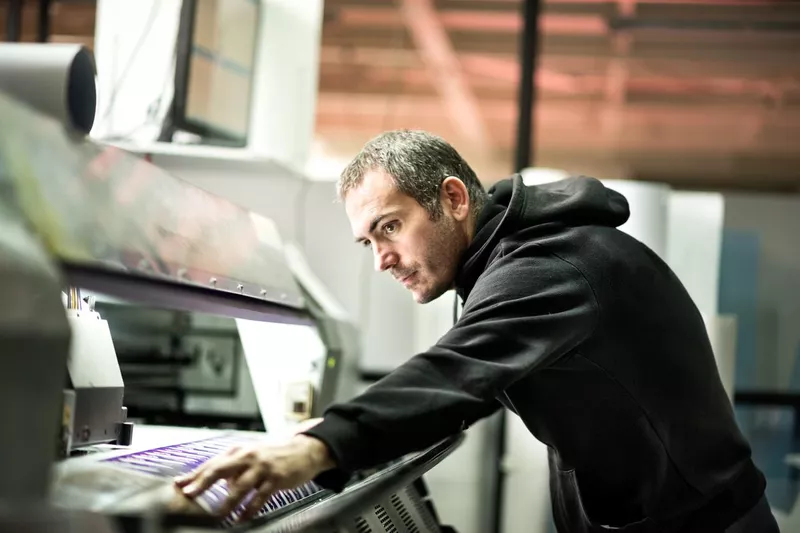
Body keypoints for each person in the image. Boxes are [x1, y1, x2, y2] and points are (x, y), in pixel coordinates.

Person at [174, 130, 778, 532]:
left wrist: (317, 447)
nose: (381, 259)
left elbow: (458, 374)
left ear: (454, 198)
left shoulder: (552, 266)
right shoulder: (511, 260)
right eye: (368, 241)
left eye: (390, 227)